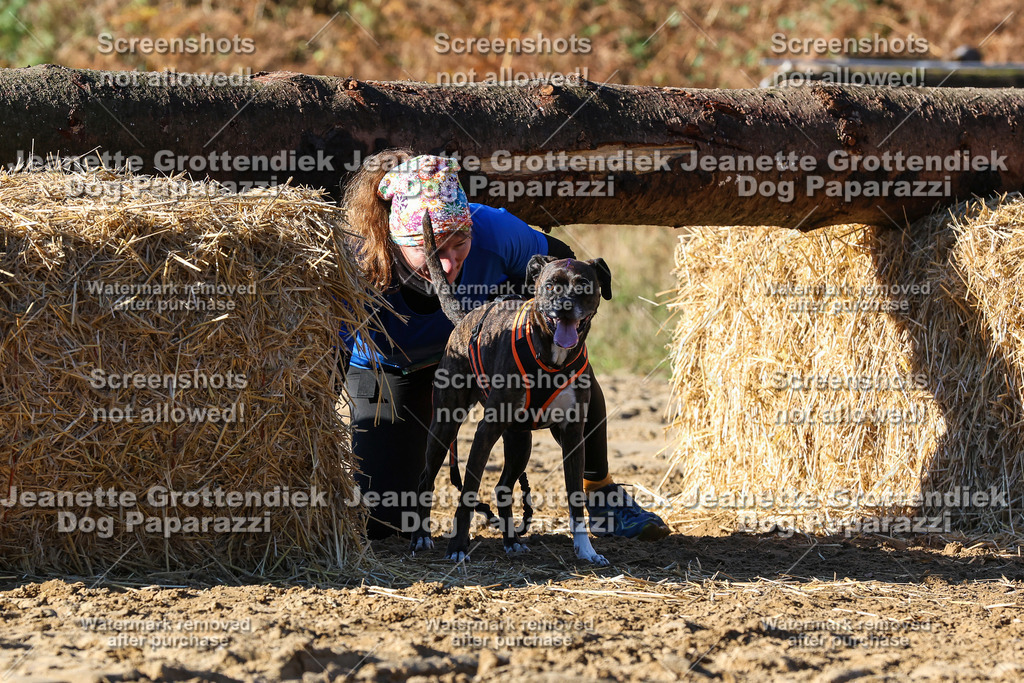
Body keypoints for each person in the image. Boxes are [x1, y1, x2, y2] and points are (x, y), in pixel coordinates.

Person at [339, 149, 669, 542]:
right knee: (383, 522)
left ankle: (600, 493)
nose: (447, 263)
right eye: (431, 251)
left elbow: (561, 263)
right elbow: (325, 354)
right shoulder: (356, 258)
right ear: (395, 242)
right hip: (391, 371)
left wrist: (521, 322)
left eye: (459, 244)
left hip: (487, 353)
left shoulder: (495, 231)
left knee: (573, 365)